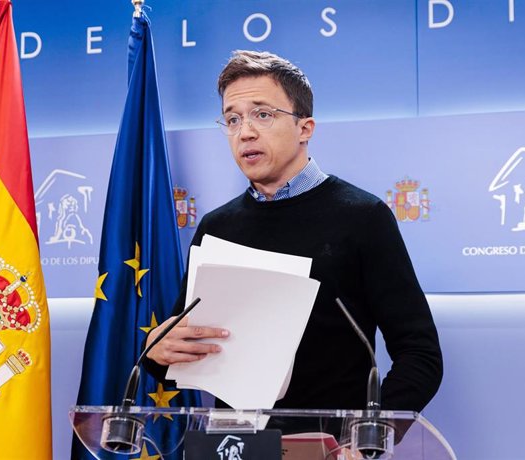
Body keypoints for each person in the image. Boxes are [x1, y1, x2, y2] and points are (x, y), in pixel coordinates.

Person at [144, 50, 443, 413]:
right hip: (234, 445)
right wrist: (158, 353)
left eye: (263, 114)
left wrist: (368, 436)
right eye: (232, 119)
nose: (245, 132)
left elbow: (420, 355)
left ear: (305, 128)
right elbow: (184, 345)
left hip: (333, 446)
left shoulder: (363, 216)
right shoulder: (216, 227)